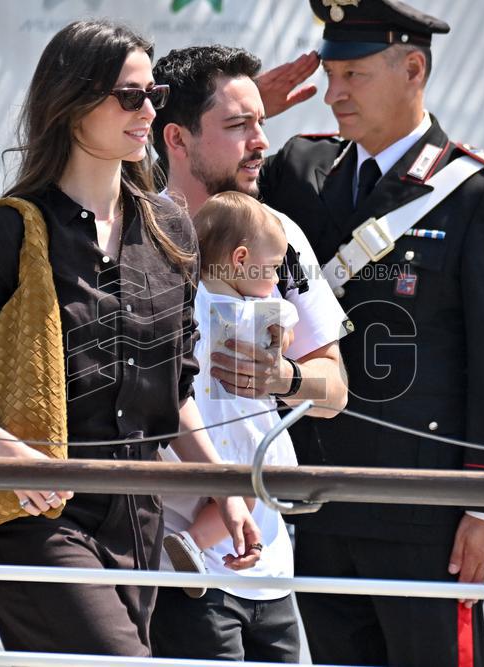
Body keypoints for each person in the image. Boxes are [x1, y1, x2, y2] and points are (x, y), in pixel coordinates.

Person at [0, 20, 259, 657]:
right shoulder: (11, 230)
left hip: (139, 516)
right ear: (70, 102)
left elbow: (174, 388)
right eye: (128, 95)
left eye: (155, 94)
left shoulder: (170, 227)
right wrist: (16, 460)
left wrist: (223, 486)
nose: (147, 111)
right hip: (40, 515)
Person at [256, 1, 484, 665]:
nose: (333, 93)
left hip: (426, 513)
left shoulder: (477, 191)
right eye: (330, 73)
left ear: (413, 69)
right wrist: (251, 112)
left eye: (353, 74)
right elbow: (188, 206)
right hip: (318, 502)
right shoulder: (297, 171)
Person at [149, 45, 350, 662]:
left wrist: (285, 377)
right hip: (168, 563)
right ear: (176, 140)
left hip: (269, 557)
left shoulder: (279, 235)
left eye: (261, 121)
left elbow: (334, 390)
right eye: (239, 126)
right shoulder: (133, 233)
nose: (261, 141)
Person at [158, 192, 301, 660]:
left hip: (202, 436)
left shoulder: (185, 301)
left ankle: (194, 542)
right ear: (241, 259)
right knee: (255, 482)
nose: (277, 279)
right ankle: (196, 543)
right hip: (244, 435)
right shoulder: (249, 313)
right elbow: (285, 322)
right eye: (274, 267)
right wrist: (286, 320)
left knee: (229, 491)